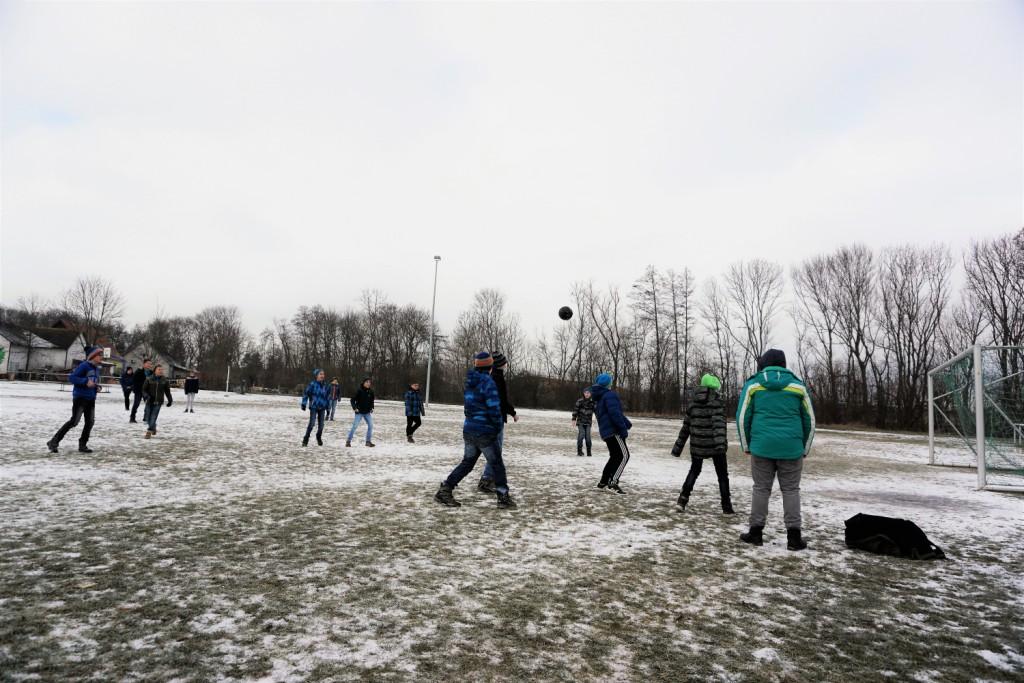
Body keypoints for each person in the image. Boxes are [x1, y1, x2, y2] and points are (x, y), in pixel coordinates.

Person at [736, 349, 815, 551]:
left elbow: (742, 416)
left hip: (761, 447)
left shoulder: (753, 385)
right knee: (791, 490)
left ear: (764, 364)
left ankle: (755, 533)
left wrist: (747, 445)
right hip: (792, 448)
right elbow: (810, 420)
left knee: (761, 489)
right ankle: (794, 538)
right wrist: (804, 447)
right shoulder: (798, 386)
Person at [434, 352, 517, 509]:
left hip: (469, 429)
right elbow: (494, 409)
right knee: (497, 464)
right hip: (485, 431)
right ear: (489, 367)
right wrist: (497, 426)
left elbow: (467, 409)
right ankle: (503, 498)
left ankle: (445, 490)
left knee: (468, 462)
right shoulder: (489, 384)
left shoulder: (470, 383)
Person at [672, 374, 733, 514]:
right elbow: (719, 426)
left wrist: (678, 448)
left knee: (694, 470)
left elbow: (685, 427)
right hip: (716, 447)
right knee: (722, 475)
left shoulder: (693, 404)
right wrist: (721, 446)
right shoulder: (718, 403)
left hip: (697, 445)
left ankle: (682, 500)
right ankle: (726, 506)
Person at [47, 346, 105, 454]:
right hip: (80, 398)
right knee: (74, 421)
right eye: (99, 355)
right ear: (93, 356)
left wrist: (97, 387)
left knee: (90, 422)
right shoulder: (84, 366)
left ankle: (83, 445)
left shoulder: (96, 368)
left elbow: (92, 382)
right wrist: (85, 382)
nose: (101, 357)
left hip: (91, 399)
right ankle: (53, 442)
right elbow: (72, 378)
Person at [478, 352, 517, 493]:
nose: (506, 364)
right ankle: (486, 480)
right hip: (495, 419)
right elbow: (501, 400)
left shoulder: (491, 376)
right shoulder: (497, 378)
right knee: (495, 451)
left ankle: (488, 478)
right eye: (505, 362)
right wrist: (512, 412)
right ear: (500, 364)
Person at [591, 372, 632, 494]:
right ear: (608, 384)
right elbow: (615, 414)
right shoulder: (610, 395)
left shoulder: (599, 397)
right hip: (614, 431)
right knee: (624, 456)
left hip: (606, 432)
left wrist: (627, 423)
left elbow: (612, 414)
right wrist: (623, 429)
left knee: (615, 456)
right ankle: (613, 483)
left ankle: (603, 482)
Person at [141, 364, 173, 438]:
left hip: (158, 401)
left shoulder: (165, 380)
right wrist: (146, 396)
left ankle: (149, 431)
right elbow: (143, 390)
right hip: (149, 401)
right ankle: (153, 427)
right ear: (155, 370)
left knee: (153, 416)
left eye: (162, 370)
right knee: (147, 417)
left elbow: (167, 391)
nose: (161, 371)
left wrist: (170, 400)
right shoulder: (149, 379)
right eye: (159, 369)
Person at [301, 368, 330, 447]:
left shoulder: (326, 385)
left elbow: (327, 397)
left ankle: (318, 436)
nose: (322, 376)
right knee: (312, 424)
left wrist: (328, 408)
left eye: (323, 374)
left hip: (322, 407)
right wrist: (304, 403)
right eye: (320, 374)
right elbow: (306, 393)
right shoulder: (312, 384)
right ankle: (306, 438)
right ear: (316, 376)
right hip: (314, 406)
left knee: (321, 426)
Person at [346, 377, 375, 447]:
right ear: (363, 383)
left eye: (369, 382)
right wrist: (355, 408)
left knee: (371, 425)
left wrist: (372, 408)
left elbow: (372, 401)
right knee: (355, 426)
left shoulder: (371, 392)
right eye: (367, 382)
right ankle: (348, 441)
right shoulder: (359, 390)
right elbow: (352, 400)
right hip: (359, 412)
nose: (368, 384)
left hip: (367, 412)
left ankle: (368, 442)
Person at [571, 388, 596, 457]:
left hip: (588, 423)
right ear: (583, 393)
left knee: (588, 438)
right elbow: (575, 410)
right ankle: (579, 451)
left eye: (588, 393)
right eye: (586, 393)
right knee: (581, 436)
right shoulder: (580, 401)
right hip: (580, 422)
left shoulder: (593, 402)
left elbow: (596, 411)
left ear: (590, 394)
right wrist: (574, 419)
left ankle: (589, 452)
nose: (587, 394)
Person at [129, 358, 152, 423]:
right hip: (139, 390)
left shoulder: (151, 372)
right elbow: (134, 381)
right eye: (147, 363)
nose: (149, 365)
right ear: (144, 364)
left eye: (150, 364)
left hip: (146, 391)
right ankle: (132, 418)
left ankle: (146, 417)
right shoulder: (139, 371)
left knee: (149, 403)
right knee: (136, 404)